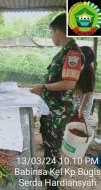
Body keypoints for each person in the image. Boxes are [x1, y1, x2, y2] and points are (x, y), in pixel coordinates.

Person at [31, 13, 84, 190]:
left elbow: (69, 83)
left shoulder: (73, 53)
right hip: (51, 108)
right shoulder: (64, 52)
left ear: (60, 31)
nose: (52, 36)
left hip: (58, 110)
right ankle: (49, 170)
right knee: (48, 143)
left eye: (52, 32)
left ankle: (54, 181)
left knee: (53, 146)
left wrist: (43, 88)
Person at [69, 46, 95, 122]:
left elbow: (87, 92)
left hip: (82, 102)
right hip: (79, 100)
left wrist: (81, 109)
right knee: (75, 124)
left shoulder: (86, 69)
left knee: (80, 125)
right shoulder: (83, 67)